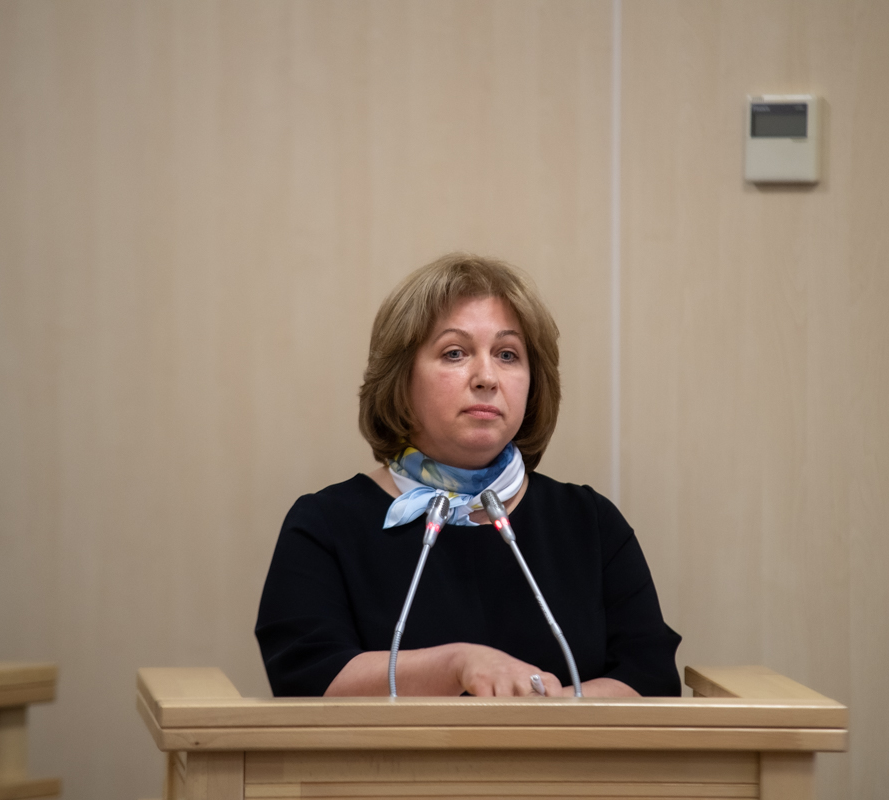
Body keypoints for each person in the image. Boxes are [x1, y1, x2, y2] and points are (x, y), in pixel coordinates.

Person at [256, 253, 682, 697]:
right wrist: (456, 665)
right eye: (455, 353)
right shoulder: (325, 524)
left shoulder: (589, 522)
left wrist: (546, 713)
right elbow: (307, 679)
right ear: (400, 379)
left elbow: (650, 680)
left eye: (507, 355)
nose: (486, 378)